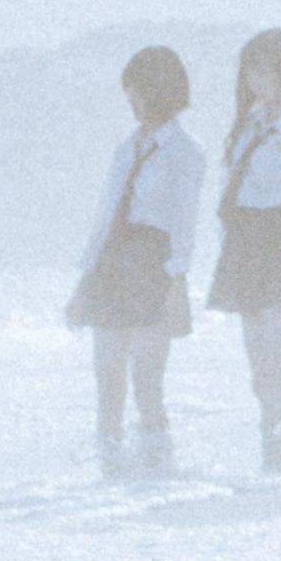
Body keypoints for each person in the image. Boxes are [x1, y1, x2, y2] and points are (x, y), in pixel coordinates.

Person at [65, 46, 201, 474]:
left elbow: (185, 221)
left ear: (160, 90)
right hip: (111, 262)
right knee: (107, 377)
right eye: (129, 93)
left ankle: (158, 469)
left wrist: (177, 283)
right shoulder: (125, 148)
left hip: (153, 262)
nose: (132, 102)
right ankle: (111, 470)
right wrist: (83, 279)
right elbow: (105, 213)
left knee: (146, 380)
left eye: (138, 91)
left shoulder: (185, 150)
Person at [207, 29, 281, 473]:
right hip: (243, 240)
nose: (257, 79)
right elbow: (227, 192)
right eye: (250, 70)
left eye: (265, 68)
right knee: (258, 363)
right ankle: (271, 439)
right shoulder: (246, 126)